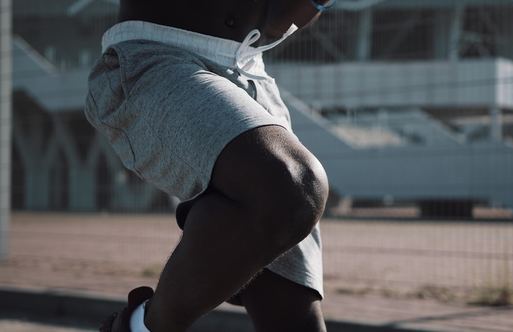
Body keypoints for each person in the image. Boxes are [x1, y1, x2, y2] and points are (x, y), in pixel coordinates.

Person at [85, 0, 338, 331]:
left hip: (248, 76)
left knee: (294, 316)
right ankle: (139, 327)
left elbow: (273, 23)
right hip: (155, 57)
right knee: (291, 185)